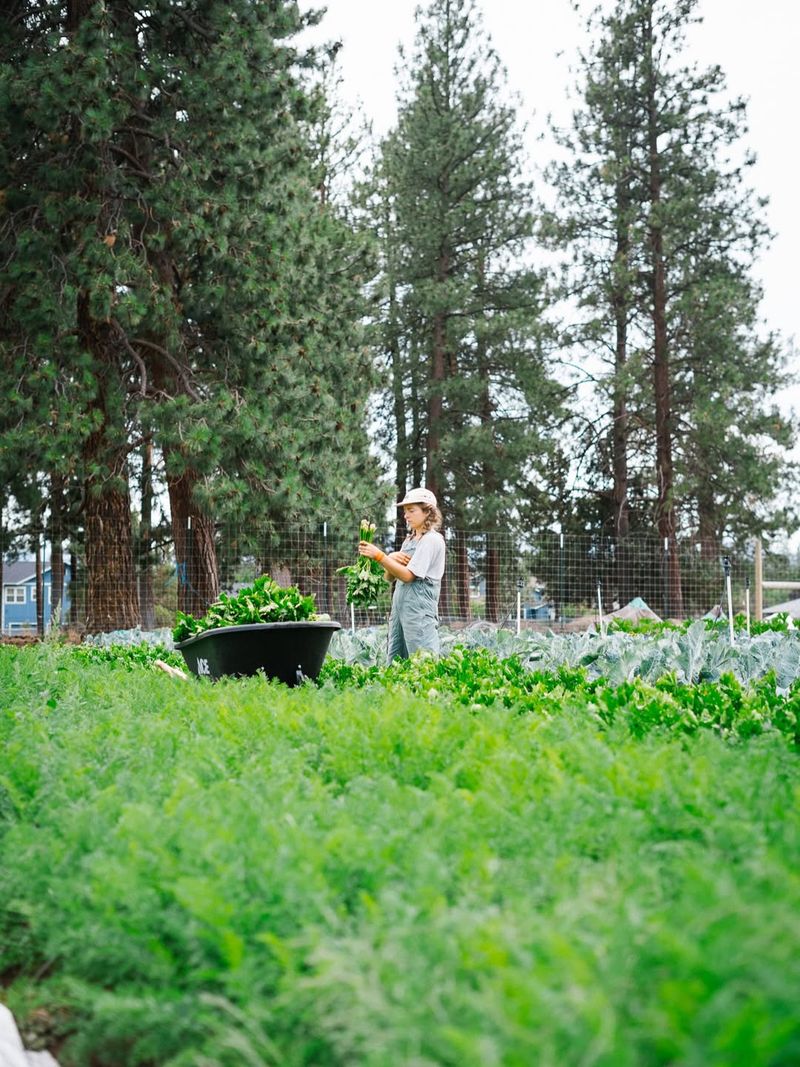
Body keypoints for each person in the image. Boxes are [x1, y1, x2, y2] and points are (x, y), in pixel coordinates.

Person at [358, 487, 445, 661]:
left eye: (411, 510)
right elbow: (389, 577)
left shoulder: (431, 540)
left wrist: (380, 556)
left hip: (419, 612)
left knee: (422, 662)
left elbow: (408, 576)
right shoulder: (409, 540)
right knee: (397, 661)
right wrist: (390, 558)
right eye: (405, 511)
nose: (406, 516)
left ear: (428, 512)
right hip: (400, 611)